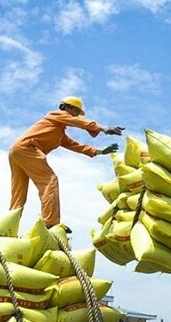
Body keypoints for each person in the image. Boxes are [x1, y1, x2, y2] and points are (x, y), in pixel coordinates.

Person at [9, 96, 124, 229]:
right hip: (27, 149)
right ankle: (50, 223)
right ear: (67, 107)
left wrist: (100, 151)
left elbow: (76, 146)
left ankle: (9, 224)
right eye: (76, 111)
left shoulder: (58, 133)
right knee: (50, 180)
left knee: (19, 192)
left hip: (16, 151)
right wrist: (103, 129)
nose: (77, 115)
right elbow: (77, 122)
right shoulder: (55, 115)